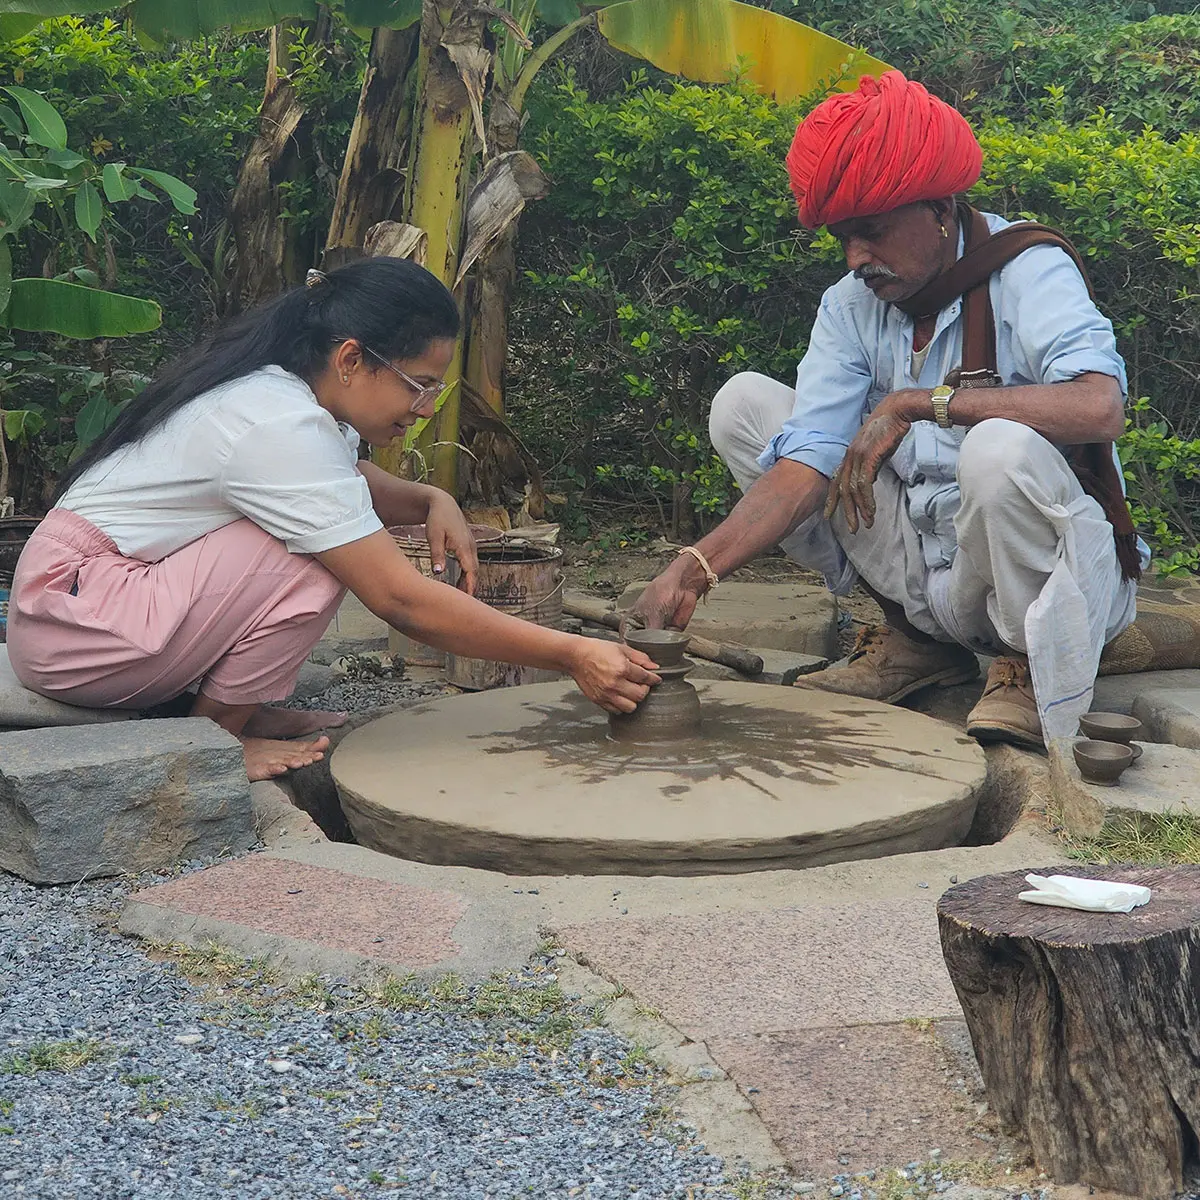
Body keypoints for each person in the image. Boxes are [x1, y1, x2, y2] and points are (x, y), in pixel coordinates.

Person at [631, 70, 1146, 749]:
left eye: (871, 232)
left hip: (1051, 578)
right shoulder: (851, 306)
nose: (856, 258)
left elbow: (1099, 405)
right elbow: (804, 466)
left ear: (940, 209)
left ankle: (1025, 665)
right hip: (934, 577)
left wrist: (923, 403)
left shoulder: (1028, 267)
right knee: (744, 406)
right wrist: (695, 567)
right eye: (843, 238)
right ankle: (914, 643)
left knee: (996, 448)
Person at [7, 258, 659, 780]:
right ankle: (217, 740)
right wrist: (573, 653)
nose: (427, 407)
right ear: (351, 360)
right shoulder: (278, 425)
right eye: (420, 384)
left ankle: (233, 709)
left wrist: (431, 500)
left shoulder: (285, 398)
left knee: (325, 531)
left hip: (82, 605)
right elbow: (400, 601)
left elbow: (346, 480)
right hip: (73, 630)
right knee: (319, 555)